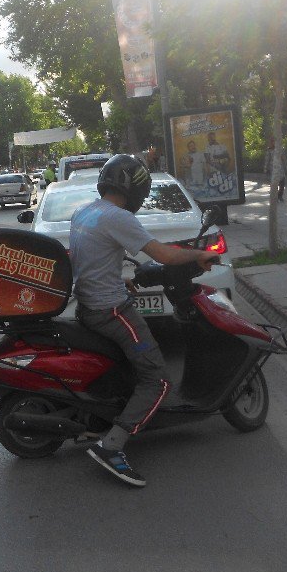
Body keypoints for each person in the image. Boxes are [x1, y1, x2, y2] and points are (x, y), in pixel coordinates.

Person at [71, 155, 218, 487]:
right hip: (111, 312)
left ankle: (104, 419)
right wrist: (200, 255)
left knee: (130, 365)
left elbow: (88, 260)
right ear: (135, 188)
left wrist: (116, 279)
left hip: (89, 304)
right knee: (158, 380)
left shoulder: (86, 212)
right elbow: (164, 255)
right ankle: (112, 446)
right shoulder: (118, 217)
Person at [263, 137, 285, 202]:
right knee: (274, 184)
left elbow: (284, 158)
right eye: (273, 142)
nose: (274, 143)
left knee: (282, 183)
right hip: (273, 169)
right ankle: (275, 196)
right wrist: (265, 168)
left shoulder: (281, 149)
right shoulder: (269, 150)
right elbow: (267, 160)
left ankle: (280, 195)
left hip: (281, 169)